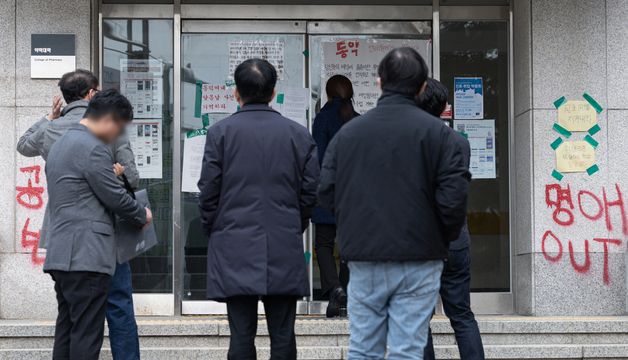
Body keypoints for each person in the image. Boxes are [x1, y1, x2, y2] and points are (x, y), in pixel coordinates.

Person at [318, 47, 471, 359]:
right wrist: (438, 237)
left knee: (363, 348)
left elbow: (326, 191)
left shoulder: (350, 134)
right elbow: (453, 203)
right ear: (423, 87)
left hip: (364, 256)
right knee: (407, 350)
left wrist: (357, 227)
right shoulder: (444, 138)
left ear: (379, 83)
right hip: (422, 256)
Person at [16, 69, 143, 360]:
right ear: (90, 94)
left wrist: (49, 117)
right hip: (101, 236)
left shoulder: (53, 130)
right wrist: (119, 180)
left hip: (62, 234)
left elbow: (24, 144)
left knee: (70, 320)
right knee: (117, 306)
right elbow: (131, 179)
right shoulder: (106, 127)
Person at [198, 58, 319, 360]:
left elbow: (208, 191)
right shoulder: (298, 134)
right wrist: (295, 223)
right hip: (283, 241)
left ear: (236, 93)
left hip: (234, 244)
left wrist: (215, 228)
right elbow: (310, 192)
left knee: (240, 334)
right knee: (283, 334)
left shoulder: (220, 133)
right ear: (273, 90)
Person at [43, 89, 152, 360]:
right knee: (86, 334)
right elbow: (114, 197)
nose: (117, 136)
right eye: (119, 129)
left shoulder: (61, 143)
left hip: (62, 253)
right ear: (109, 120)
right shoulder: (93, 148)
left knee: (68, 329)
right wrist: (142, 214)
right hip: (87, 255)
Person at [418, 78, 485, 360]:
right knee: (462, 315)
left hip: (420, 243)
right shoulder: (460, 143)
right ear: (445, 107)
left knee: (419, 320)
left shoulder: (411, 142)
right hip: (456, 240)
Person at [312, 75, 358, 318]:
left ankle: (334, 288)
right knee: (350, 246)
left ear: (328, 95)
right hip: (355, 195)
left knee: (324, 244)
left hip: (328, 192)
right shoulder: (359, 120)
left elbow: (317, 159)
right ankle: (344, 295)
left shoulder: (322, 119)